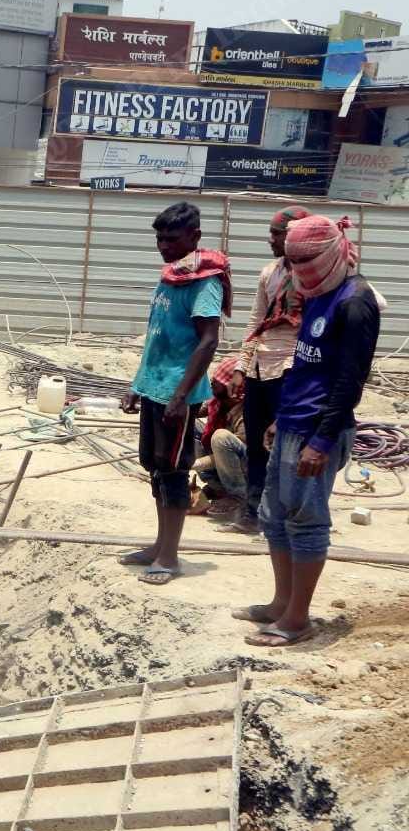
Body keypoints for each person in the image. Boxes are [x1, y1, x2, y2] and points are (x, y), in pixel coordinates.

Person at [240, 216, 380, 648]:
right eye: (293, 262)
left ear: (332, 253)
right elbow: (305, 364)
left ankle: (297, 619)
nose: (299, 271)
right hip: (292, 423)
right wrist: (280, 418)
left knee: (306, 521)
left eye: (306, 261)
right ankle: (282, 602)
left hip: (319, 430)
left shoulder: (355, 302)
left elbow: (348, 381)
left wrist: (320, 441)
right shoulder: (317, 293)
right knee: (274, 515)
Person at [119, 202, 229, 586]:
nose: (164, 245)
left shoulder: (204, 281)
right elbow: (157, 335)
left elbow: (208, 341)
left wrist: (181, 396)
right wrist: (137, 384)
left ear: (194, 237)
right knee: (155, 466)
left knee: (174, 470)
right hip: (155, 386)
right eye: (159, 238)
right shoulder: (171, 275)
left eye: (172, 238)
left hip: (176, 394)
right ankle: (158, 545)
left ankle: (170, 556)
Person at [228, 206, 312, 533]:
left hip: (292, 367)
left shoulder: (314, 276)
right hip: (261, 368)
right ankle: (253, 513)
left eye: (276, 233)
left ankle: (283, 518)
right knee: (256, 444)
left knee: (286, 447)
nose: (270, 239)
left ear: (294, 236)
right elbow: (256, 323)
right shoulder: (270, 273)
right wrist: (241, 367)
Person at [192, 356, 247, 515]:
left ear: (232, 388)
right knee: (190, 425)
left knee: (220, 437)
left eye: (218, 381)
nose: (212, 383)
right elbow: (195, 412)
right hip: (223, 462)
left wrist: (194, 464)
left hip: (244, 470)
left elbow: (234, 453)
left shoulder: (247, 414)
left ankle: (238, 496)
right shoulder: (218, 402)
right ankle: (218, 488)